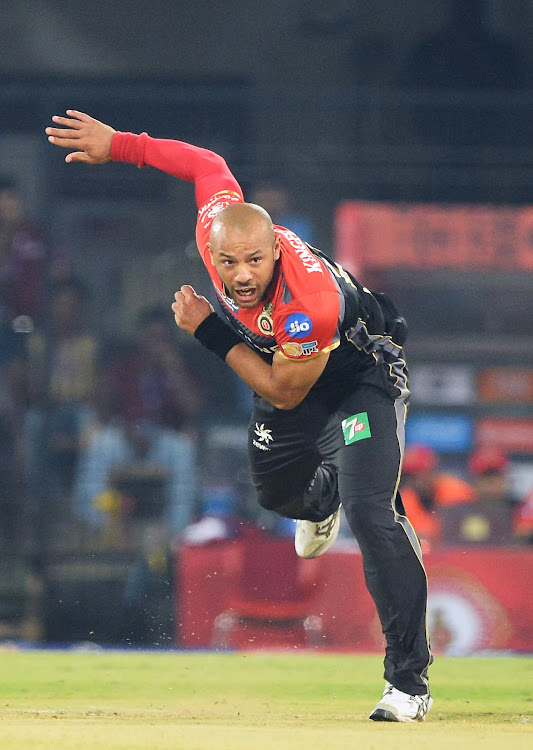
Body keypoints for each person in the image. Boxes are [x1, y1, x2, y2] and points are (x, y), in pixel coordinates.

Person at [46, 110, 433, 723]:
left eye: (255, 261)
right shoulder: (217, 227)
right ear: (211, 246)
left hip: (357, 379)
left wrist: (207, 331)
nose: (242, 276)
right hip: (280, 364)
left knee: (372, 513)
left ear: (275, 247)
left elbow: (284, 391)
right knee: (278, 495)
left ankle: (407, 682)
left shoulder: (308, 302)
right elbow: (206, 164)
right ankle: (324, 498)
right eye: (229, 264)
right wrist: (119, 145)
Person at [399, 444, 476, 548]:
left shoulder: (457, 491)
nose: (415, 479)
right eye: (411, 475)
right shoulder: (403, 499)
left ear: (433, 470)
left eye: (420, 472)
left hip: (460, 552)